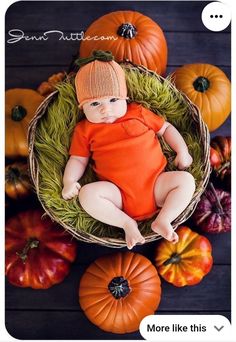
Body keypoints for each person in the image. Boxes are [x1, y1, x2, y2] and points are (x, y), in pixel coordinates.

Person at [62, 51, 195, 249]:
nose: (105, 109)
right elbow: (78, 159)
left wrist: (182, 151)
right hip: (117, 196)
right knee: (87, 195)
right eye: (95, 103)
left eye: (113, 100)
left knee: (186, 181)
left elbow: (166, 128)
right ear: (83, 107)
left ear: (125, 98)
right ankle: (126, 223)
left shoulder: (138, 112)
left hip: (156, 184)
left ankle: (163, 219)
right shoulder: (84, 130)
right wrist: (69, 181)